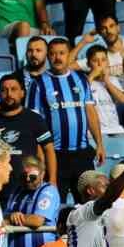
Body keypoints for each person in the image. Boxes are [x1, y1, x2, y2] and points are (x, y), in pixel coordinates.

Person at [26, 37, 105, 202]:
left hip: (82, 153)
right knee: (55, 202)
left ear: (69, 55)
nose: (57, 58)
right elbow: (32, 123)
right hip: (55, 155)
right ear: (48, 56)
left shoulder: (81, 79)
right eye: (53, 54)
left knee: (89, 203)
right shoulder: (38, 83)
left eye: (62, 53)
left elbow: (90, 111)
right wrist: (41, 155)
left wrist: (99, 144)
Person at [0, 72, 57, 187]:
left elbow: (49, 149)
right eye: (4, 90)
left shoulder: (34, 119)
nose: (9, 94)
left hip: (28, 186)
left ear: (22, 93)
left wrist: (52, 179)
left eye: (13, 89)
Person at [1, 152, 60, 247]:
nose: (28, 179)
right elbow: (3, 219)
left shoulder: (48, 191)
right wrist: (11, 216)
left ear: (42, 174)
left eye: (32, 177)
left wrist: (13, 218)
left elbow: (37, 220)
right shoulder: (16, 191)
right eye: (24, 176)